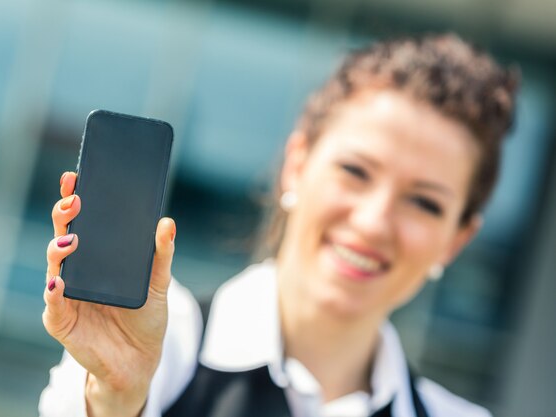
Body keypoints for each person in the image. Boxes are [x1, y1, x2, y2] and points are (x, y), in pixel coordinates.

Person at [39, 33, 518, 417]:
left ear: (455, 241)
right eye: (355, 172)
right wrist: (116, 401)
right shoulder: (163, 342)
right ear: (296, 166)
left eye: (424, 203)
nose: (374, 223)